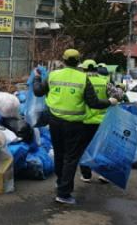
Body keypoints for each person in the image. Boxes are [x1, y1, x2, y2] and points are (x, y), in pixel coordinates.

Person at [33, 49, 118, 205]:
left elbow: (38, 92)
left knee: (59, 154)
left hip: (55, 122)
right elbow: (94, 103)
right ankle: (64, 193)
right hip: (75, 124)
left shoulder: (53, 75)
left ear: (63, 60)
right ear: (78, 61)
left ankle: (60, 183)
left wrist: (37, 78)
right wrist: (110, 102)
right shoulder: (83, 78)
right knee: (71, 158)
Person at [79, 60, 111, 183]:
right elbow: (118, 95)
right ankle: (104, 174)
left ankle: (86, 175)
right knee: (103, 148)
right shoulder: (105, 82)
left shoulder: (81, 81)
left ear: (84, 69)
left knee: (84, 148)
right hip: (103, 121)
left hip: (85, 121)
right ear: (96, 69)